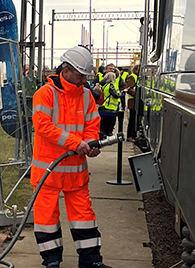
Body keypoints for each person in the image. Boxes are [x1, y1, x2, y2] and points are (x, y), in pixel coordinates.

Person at [31, 45, 111, 268]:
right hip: (48, 172)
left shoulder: (86, 96)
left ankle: (91, 261)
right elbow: (43, 126)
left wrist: (92, 144)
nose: (84, 79)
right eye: (80, 74)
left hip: (76, 172)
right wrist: (76, 143)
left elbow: (92, 125)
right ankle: (52, 261)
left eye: (86, 75)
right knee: (46, 220)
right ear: (65, 70)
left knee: (84, 217)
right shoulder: (45, 95)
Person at [98, 72, 127, 136]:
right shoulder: (110, 85)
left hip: (103, 105)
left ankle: (102, 134)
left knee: (103, 123)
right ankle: (107, 134)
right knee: (109, 123)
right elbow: (116, 95)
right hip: (110, 107)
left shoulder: (104, 85)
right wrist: (123, 92)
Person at [125, 64, 140, 142]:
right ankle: (129, 136)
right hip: (133, 102)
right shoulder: (132, 77)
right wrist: (136, 94)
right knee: (132, 119)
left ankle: (133, 135)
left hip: (136, 102)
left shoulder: (138, 77)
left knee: (135, 120)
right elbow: (128, 88)